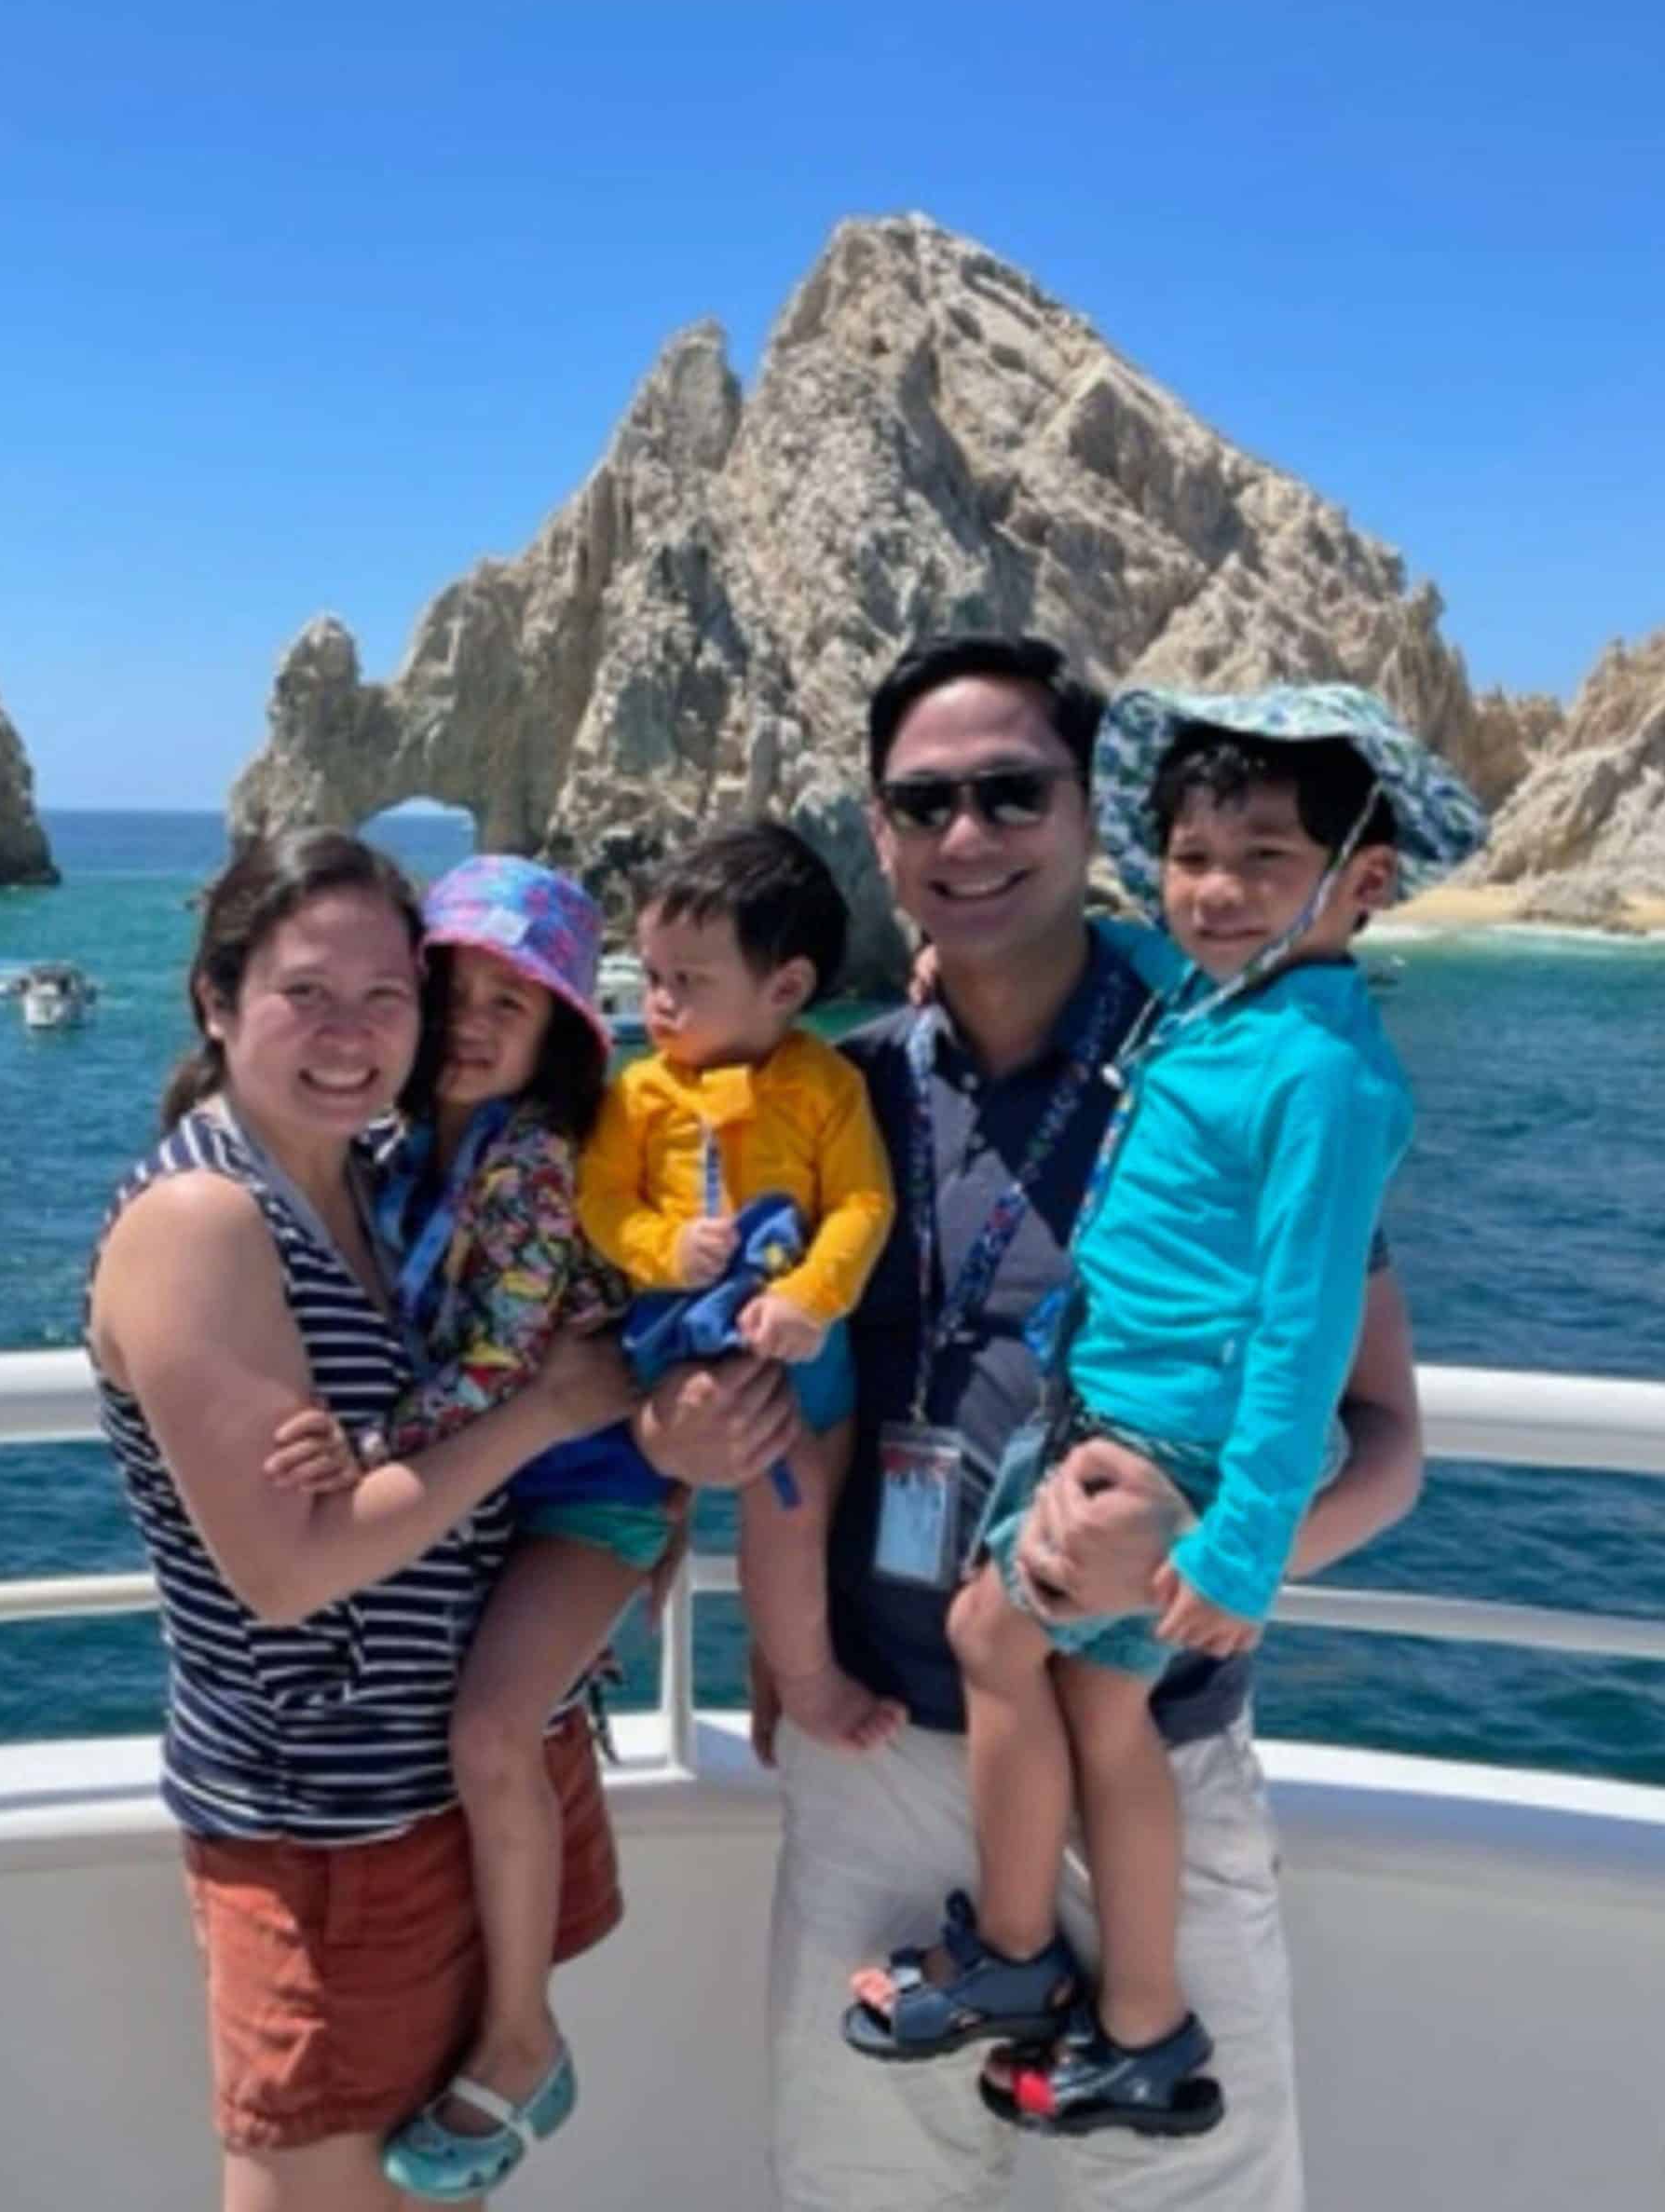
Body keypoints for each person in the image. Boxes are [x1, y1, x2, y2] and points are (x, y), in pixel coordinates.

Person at [634, 635, 1432, 2212]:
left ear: (1088, 819)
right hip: (883, 1754)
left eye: (1014, 793)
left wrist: (1208, 1568)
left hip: (1151, 1746)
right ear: (877, 834)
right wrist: (679, 1438)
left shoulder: (1219, 1069)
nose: (968, 836)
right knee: (864, 2188)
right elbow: (710, 1387)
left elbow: (1384, 1432)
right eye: (925, 803)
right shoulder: (831, 1092)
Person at [853, 684, 1484, 2136]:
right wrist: (948, 952)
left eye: (1263, 861)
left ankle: (1019, 1962)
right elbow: (1144, 960)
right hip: (1116, 1421)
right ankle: (1137, 2021)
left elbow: (1306, 1324)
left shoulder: (1322, 1071)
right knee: (1100, 1706)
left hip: (1175, 1451)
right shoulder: (1227, 1000)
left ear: (1360, 882)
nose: (1213, 890)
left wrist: (1244, 1540)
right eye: (1192, 855)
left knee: (988, 1635)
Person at [85, 829, 631, 2212]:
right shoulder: (207, 1219)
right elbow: (291, 1567)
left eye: (391, 998)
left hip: (446, 1790)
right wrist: (548, 1413)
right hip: (326, 1832)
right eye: (306, 995)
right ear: (217, 1000)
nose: (354, 1034)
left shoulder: (387, 1178)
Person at [263, 853, 664, 2202]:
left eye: (520, 1000)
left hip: (580, 1495)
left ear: (557, 1035)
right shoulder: (390, 1151)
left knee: (490, 1730)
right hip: (494, 1489)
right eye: (460, 991)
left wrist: (369, 1447)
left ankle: (521, 2037)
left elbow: (500, 1367)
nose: (483, 1021)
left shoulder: (532, 1164)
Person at [579, 822, 905, 1755]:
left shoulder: (824, 1085)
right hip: (686, 1326)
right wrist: (659, 1243)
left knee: (805, 1504)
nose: (661, 1003)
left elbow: (860, 1199)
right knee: (706, 1489)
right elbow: (600, 1198)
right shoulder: (638, 1093)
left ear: (786, 987)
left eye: (689, 981)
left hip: (801, 1329)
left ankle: (790, 1669)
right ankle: (790, 1674)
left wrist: (812, 1294)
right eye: (652, 976)